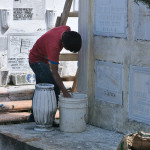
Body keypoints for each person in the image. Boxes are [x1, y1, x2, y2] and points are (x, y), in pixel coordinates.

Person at [28, 25, 82, 123]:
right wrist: (65, 92)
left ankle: (34, 116)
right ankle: (49, 119)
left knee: (40, 88)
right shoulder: (54, 47)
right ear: (63, 44)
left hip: (42, 59)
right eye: (68, 49)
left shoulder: (66, 29)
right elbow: (55, 73)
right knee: (53, 88)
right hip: (36, 60)